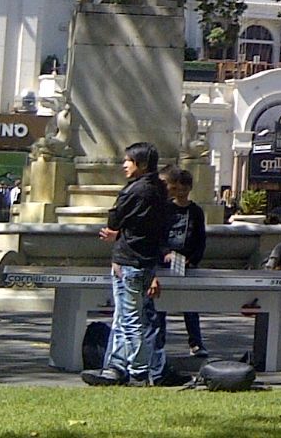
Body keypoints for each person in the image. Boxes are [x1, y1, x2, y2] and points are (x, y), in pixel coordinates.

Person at [82, 141, 171, 386]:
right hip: (143, 261)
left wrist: (116, 231)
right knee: (124, 317)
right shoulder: (159, 190)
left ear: (141, 165)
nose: (124, 165)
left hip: (129, 261)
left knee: (131, 320)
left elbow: (116, 216)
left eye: (128, 161)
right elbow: (149, 229)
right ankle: (116, 367)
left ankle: (138, 372)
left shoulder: (134, 191)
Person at [159, 168, 208, 363]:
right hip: (166, 261)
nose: (180, 192)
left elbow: (200, 239)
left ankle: (196, 342)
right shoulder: (165, 209)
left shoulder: (195, 211)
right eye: (176, 188)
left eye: (183, 189)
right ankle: (159, 342)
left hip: (187, 263)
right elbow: (159, 236)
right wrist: (165, 253)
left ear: (189, 189)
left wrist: (193, 259)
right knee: (160, 305)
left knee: (190, 305)